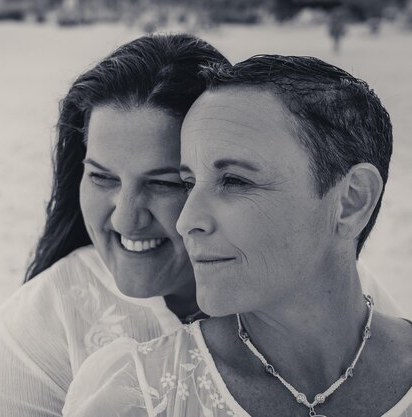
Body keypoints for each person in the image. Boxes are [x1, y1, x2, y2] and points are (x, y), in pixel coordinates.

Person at [62, 55, 412, 417]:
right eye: (186, 183)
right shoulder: (134, 396)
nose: (186, 221)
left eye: (234, 180)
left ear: (352, 200)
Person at [0, 33, 231, 417]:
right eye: (103, 178)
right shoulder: (34, 329)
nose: (124, 218)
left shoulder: (290, 296)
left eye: (164, 184)